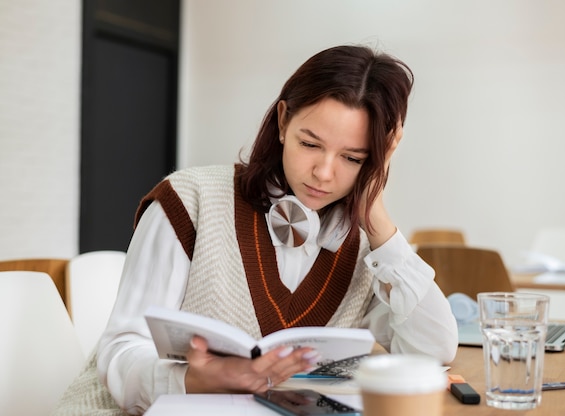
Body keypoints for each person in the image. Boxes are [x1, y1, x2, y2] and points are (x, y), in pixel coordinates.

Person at [54, 44, 458, 415]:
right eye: (310, 144)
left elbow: (432, 350)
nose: (324, 172)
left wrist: (377, 219)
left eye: (352, 158)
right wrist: (190, 380)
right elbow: (120, 352)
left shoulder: (363, 248)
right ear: (283, 121)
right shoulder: (189, 200)